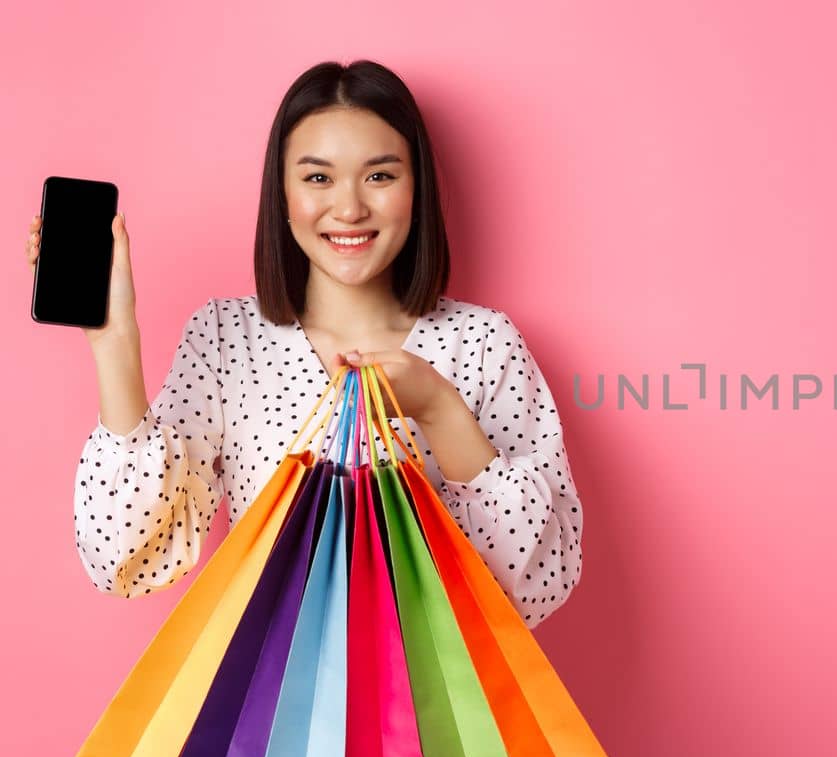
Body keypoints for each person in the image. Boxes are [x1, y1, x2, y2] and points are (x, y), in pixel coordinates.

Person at [22, 60, 583, 629]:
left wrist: (440, 411)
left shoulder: (483, 343)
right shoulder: (226, 340)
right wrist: (115, 342)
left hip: (433, 714)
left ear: (417, 188)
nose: (348, 208)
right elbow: (124, 557)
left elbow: (538, 583)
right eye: (318, 178)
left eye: (380, 176)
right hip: (268, 710)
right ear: (282, 193)